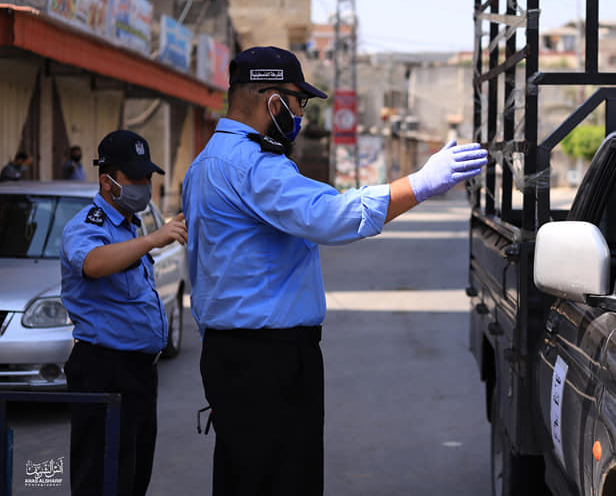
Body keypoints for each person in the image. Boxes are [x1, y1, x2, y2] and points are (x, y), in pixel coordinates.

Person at [182, 46, 487, 496]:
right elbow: (332, 216)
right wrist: (419, 185)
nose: (300, 112)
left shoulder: (205, 163)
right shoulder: (252, 165)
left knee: (242, 477)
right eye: (297, 100)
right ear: (271, 98)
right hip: (268, 361)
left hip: (231, 355)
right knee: (283, 481)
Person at [59, 130, 188, 496]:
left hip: (139, 372)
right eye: (136, 178)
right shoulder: (88, 225)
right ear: (108, 181)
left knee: (132, 476)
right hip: (103, 369)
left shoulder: (130, 226)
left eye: (148, 178)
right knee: (101, 480)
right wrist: (151, 240)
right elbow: (93, 264)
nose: (145, 186)